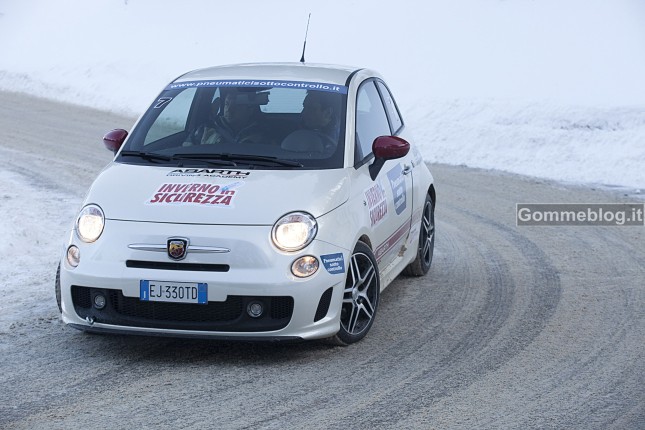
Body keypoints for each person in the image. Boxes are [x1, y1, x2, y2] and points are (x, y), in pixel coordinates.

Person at [198, 89, 268, 145]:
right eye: (227, 104)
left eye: (236, 106)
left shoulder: (264, 133)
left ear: (250, 109)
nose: (229, 109)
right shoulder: (207, 129)